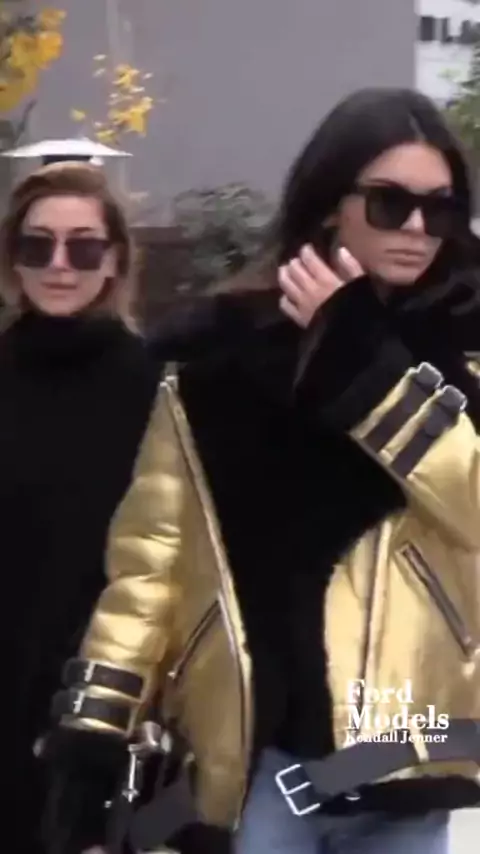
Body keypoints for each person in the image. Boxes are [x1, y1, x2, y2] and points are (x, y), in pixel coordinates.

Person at [50, 87, 480, 854]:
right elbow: (151, 562)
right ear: (331, 203)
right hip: (257, 761)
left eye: (440, 208)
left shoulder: (464, 348)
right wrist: (96, 729)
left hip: (405, 761)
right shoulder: (218, 358)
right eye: (390, 203)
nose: (418, 228)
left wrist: (367, 372)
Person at [3, 161, 161, 854]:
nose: (59, 265)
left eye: (83, 247)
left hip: (99, 708)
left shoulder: (158, 389)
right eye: (37, 246)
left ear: (115, 258)